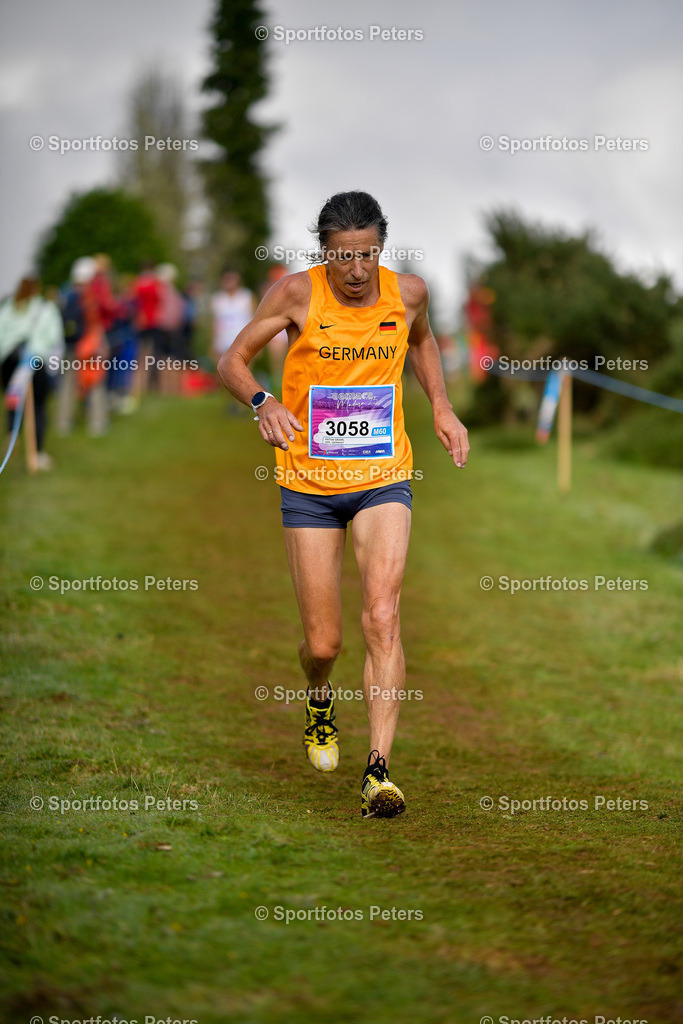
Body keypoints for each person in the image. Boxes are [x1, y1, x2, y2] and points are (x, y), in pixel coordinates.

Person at [218, 191, 469, 818]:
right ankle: (319, 696)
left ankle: (378, 771)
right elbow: (232, 360)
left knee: (382, 616)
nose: (356, 271)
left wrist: (439, 404)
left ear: (381, 248)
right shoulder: (296, 295)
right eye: (343, 257)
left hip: (384, 473)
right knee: (324, 643)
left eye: (367, 255)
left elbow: (424, 342)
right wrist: (262, 403)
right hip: (308, 482)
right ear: (323, 253)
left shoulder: (408, 293)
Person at [0, 276, 64, 469]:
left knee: (14, 402)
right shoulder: (45, 308)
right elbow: (54, 337)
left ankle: (12, 437)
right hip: (34, 362)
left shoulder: (9, 307)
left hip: (8, 363)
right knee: (38, 407)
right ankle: (36, 452)